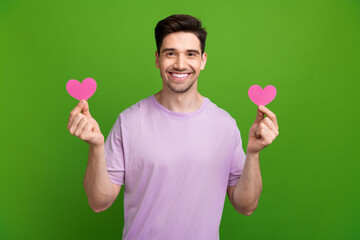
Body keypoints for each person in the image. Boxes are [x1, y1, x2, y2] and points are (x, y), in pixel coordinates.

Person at [67, 14, 279, 240]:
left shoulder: (224, 124)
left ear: (203, 60)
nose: (180, 64)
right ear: (158, 59)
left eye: (190, 54)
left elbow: (245, 206)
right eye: (171, 53)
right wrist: (96, 147)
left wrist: (254, 153)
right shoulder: (129, 121)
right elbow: (99, 202)